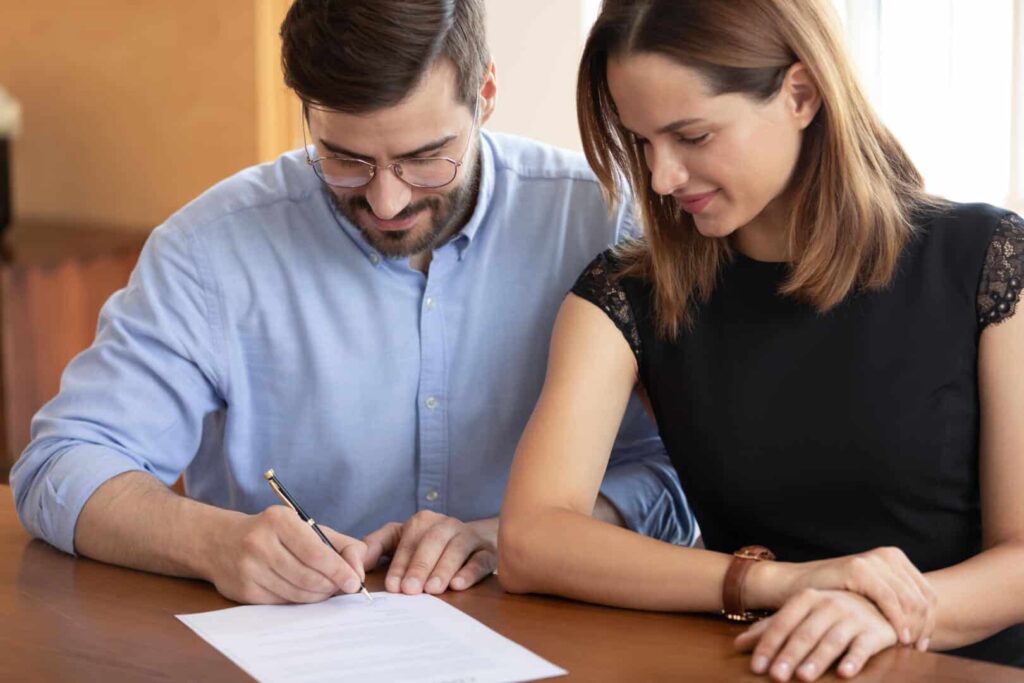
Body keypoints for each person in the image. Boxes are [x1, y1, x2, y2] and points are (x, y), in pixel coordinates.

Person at [10, 0, 694, 607]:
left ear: (485, 92)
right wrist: (211, 540)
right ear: (305, 113)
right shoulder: (209, 250)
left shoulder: (608, 224)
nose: (387, 200)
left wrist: (517, 538)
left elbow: (678, 476)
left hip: (559, 640)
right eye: (345, 160)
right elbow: (61, 464)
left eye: (425, 158)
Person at [498, 0, 1024, 678]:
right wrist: (775, 583)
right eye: (642, 142)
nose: (661, 178)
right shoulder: (626, 295)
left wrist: (886, 610)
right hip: (762, 665)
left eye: (692, 136)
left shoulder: (986, 260)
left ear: (800, 94)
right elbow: (531, 539)